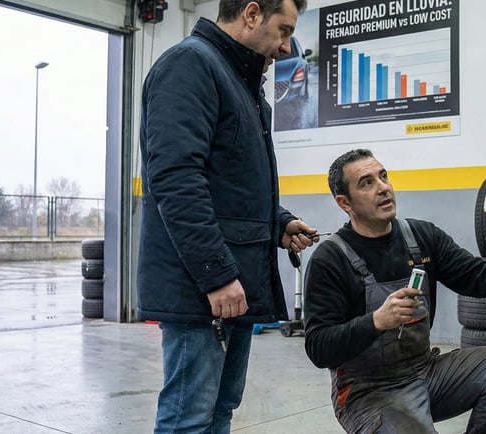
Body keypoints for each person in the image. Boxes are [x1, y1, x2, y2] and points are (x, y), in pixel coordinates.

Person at [303, 149, 486, 433]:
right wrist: (376, 321)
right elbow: (319, 347)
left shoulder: (421, 237)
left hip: (425, 372)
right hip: (368, 391)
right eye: (366, 183)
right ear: (345, 203)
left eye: (383, 176)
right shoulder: (331, 259)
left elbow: (478, 277)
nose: (382, 188)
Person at [137, 1, 311, 432]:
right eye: (283, 30)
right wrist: (216, 275)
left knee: (220, 409)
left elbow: (232, 189)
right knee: (189, 417)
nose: (286, 46)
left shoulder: (241, 82)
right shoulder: (190, 67)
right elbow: (176, 179)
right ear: (252, 14)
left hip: (231, 287)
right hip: (201, 289)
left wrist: (279, 223)